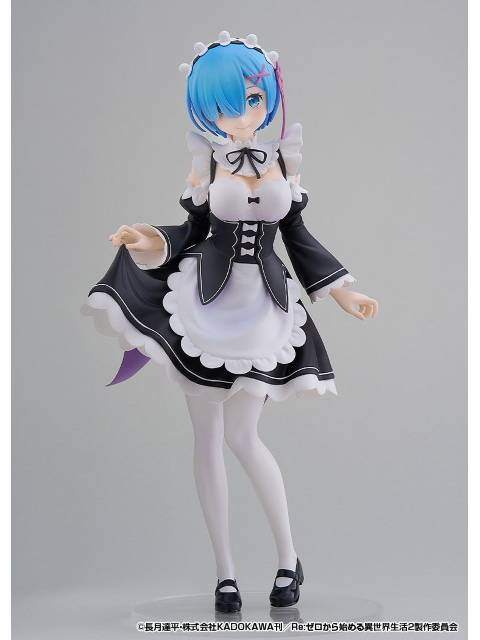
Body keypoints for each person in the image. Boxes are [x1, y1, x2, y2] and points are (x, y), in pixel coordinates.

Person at [84, 31, 378, 612]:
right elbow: (191, 231)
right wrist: (148, 239)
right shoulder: (207, 163)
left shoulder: (284, 159)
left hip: (263, 304)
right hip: (206, 302)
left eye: (252, 99)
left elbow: (297, 235)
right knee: (207, 438)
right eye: (223, 106)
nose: (241, 115)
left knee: (244, 436)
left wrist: (341, 290)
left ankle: (289, 559)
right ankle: (225, 573)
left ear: (269, 96)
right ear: (204, 110)